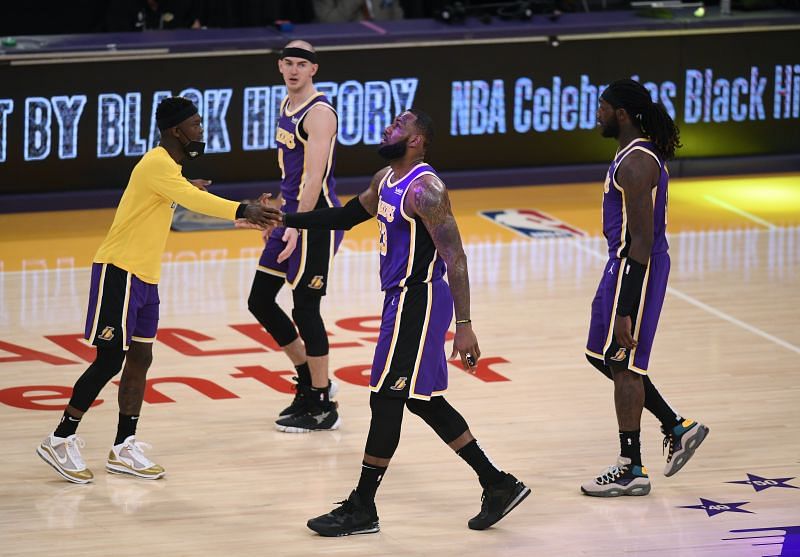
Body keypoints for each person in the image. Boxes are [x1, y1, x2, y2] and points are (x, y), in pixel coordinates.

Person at [263, 109, 530, 535]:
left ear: (417, 140)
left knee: (385, 397)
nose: (388, 128)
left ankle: (363, 507)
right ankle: (497, 483)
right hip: (399, 301)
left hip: (419, 299)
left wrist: (464, 324)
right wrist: (286, 219)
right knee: (420, 399)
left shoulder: (426, 189)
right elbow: (347, 216)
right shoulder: (385, 178)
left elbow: (454, 256)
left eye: (398, 126)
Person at [36, 96, 275, 484]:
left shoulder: (170, 172)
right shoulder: (156, 163)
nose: (201, 131)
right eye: (195, 125)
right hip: (120, 272)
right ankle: (60, 438)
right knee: (110, 360)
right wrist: (244, 210)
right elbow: (195, 200)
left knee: (141, 357)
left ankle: (123, 445)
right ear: (175, 130)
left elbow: (182, 193)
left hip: (146, 278)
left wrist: (188, 189)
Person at [581, 79, 709, 497]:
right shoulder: (633, 155)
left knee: (623, 361)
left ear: (621, 113)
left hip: (636, 266)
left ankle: (631, 466)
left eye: (602, 107)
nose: (597, 113)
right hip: (622, 264)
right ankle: (675, 425)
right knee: (603, 356)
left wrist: (626, 308)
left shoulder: (636, 162)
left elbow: (641, 239)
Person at [246, 40, 343, 433]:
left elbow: (315, 178)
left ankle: (322, 405)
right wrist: (274, 209)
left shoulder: (319, 113)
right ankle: (309, 379)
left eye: (302, 64)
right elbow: (293, 171)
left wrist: (294, 226)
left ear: (314, 69)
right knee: (260, 300)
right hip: (290, 215)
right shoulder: (286, 106)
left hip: (314, 222)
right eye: (288, 63)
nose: (294, 70)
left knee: (305, 308)